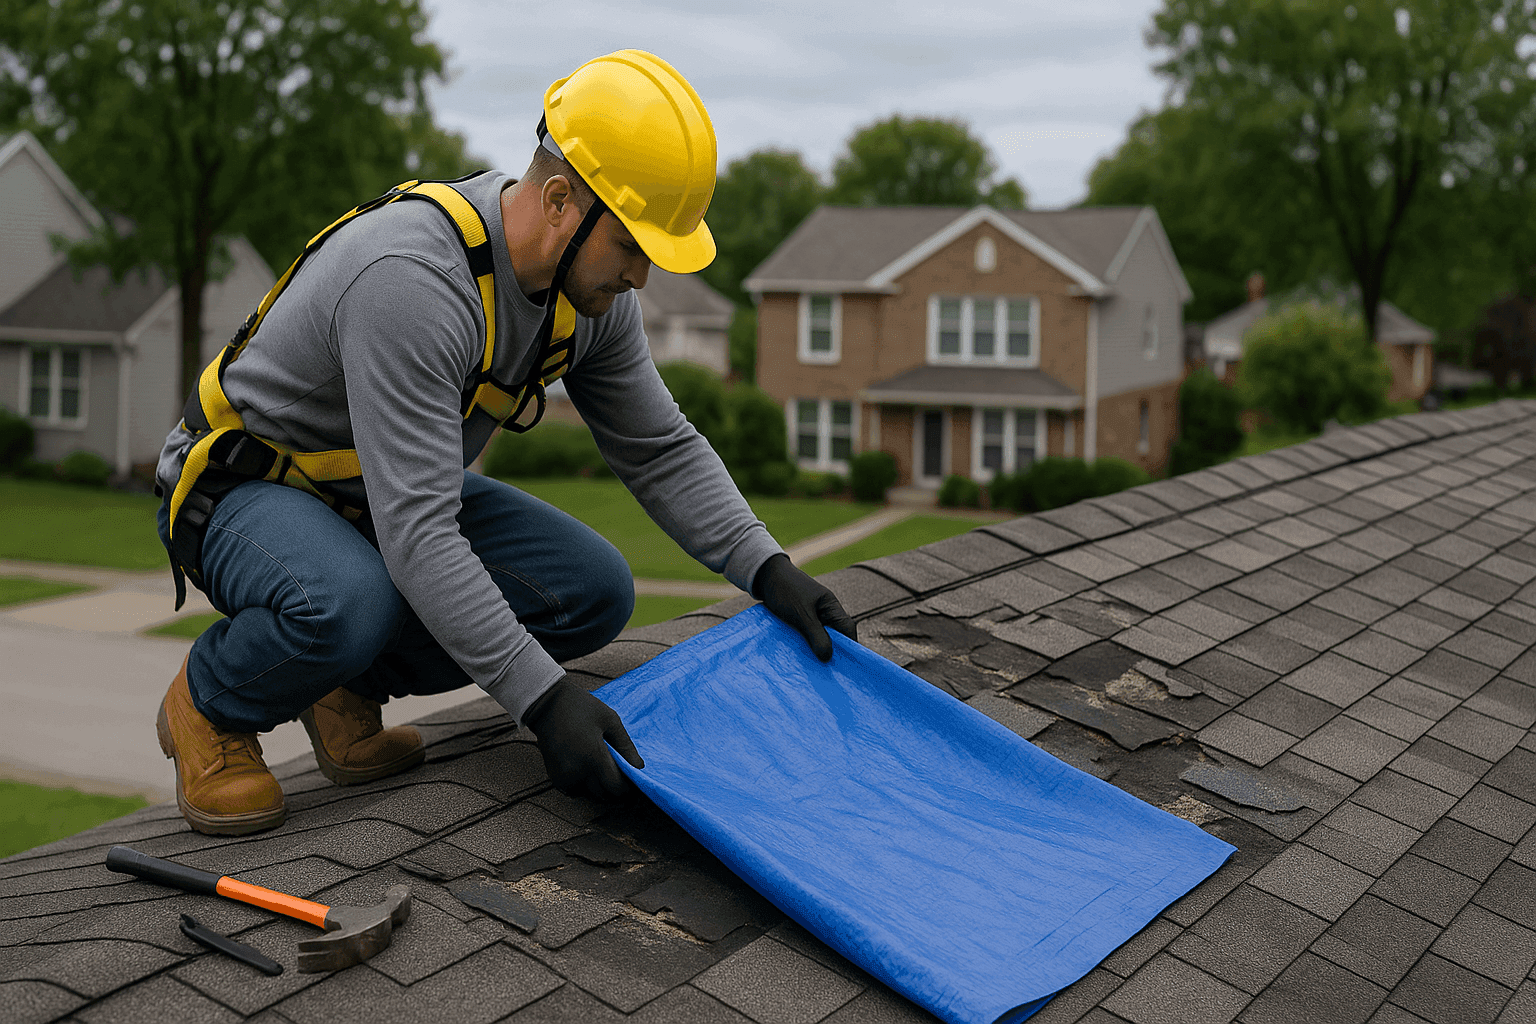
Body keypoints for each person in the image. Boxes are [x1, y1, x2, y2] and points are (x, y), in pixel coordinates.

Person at [152, 49, 855, 836]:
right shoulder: (413, 280)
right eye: (631, 247)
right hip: (242, 489)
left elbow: (656, 446)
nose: (641, 279)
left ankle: (341, 684)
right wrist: (544, 701)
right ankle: (210, 703)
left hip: (372, 502)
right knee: (349, 599)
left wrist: (768, 566)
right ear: (560, 200)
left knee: (591, 588)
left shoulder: (586, 298)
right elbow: (419, 533)